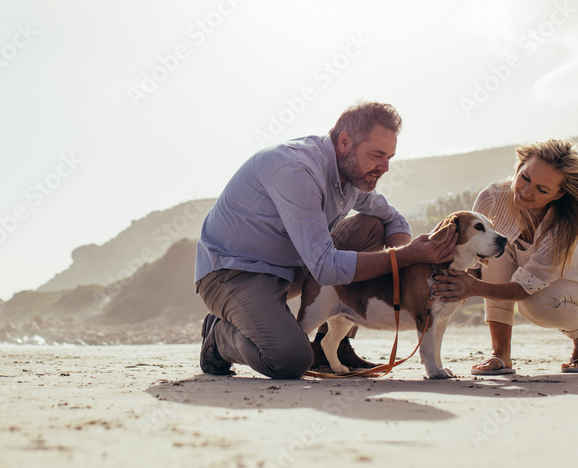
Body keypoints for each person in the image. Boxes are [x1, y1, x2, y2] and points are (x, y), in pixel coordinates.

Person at [195, 100, 457, 379]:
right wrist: (406, 257)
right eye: (377, 155)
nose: (385, 167)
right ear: (345, 142)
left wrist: (403, 259)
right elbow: (325, 268)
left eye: (389, 158)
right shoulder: (296, 170)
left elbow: (394, 219)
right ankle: (219, 335)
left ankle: (331, 344)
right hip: (234, 272)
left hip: (294, 266)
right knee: (290, 360)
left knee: (373, 225)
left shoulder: (354, 174)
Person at [431, 139, 578, 374]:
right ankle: (500, 354)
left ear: (559, 194)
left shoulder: (565, 225)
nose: (526, 192)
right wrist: (455, 284)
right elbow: (474, 252)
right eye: (525, 178)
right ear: (519, 166)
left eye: (542, 189)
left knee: (534, 304)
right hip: (529, 283)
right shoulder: (492, 198)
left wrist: (472, 287)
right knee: (496, 248)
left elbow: (523, 289)